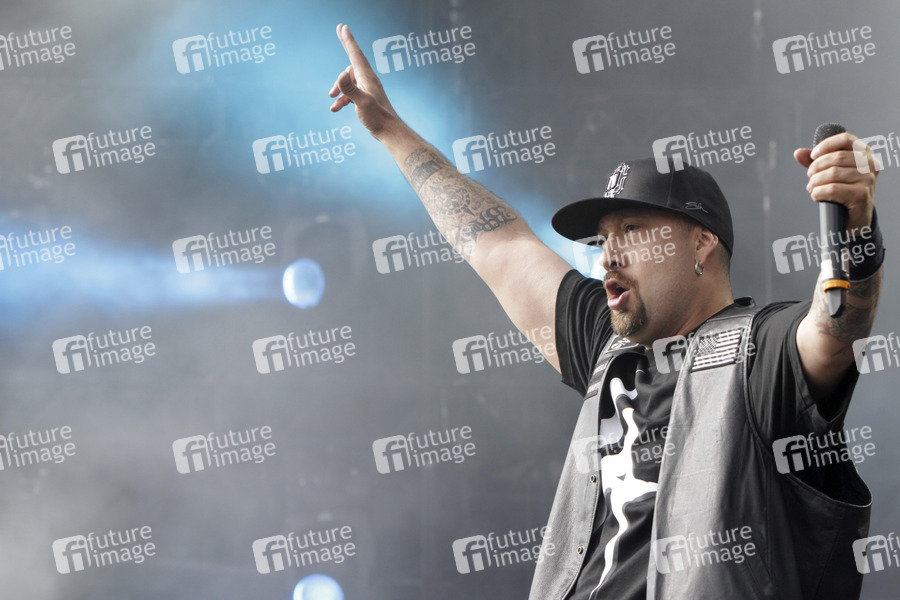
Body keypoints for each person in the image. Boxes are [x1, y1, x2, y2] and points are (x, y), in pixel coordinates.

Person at [329, 23, 883, 599]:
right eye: (602, 239)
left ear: (701, 243)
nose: (607, 256)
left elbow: (836, 326)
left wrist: (855, 223)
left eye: (633, 229)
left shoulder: (760, 350)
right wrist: (389, 129)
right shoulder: (608, 347)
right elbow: (500, 245)